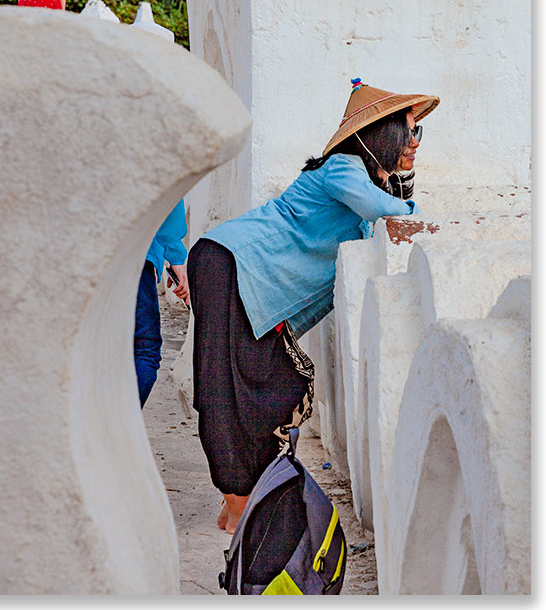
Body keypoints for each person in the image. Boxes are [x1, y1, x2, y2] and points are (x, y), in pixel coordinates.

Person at [187, 78, 440, 534]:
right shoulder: (343, 168)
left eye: (419, 133)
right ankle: (238, 501)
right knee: (225, 388)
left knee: (271, 383)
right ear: (382, 134)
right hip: (230, 263)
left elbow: (385, 212)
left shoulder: (360, 182)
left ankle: (241, 496)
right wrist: (404, 190)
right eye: (409, 130)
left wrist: (398, 182)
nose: (415, 142)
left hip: (255, 291)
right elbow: (388, 211)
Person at [134, 199, 190, 407]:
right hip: (136, 254)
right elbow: (169, 194)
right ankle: (113, 429)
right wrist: (175, 255)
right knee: (144, 348)